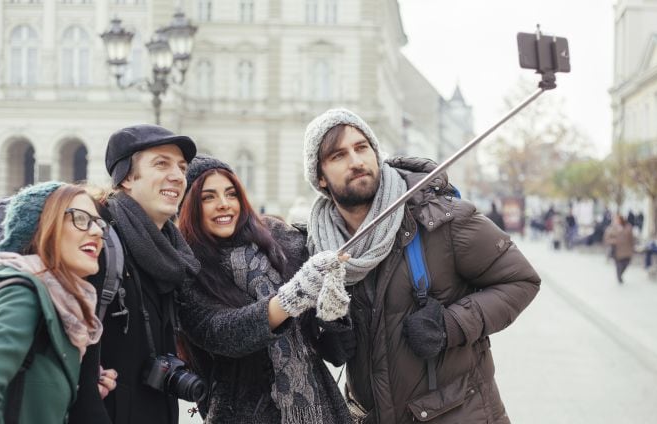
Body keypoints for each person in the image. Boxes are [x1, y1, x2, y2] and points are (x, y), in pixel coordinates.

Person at [303, 108, 541, 423]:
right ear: (320, 176)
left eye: (362, 148)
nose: (356, 161)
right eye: (338, 155)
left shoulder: (441, 219)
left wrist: (450, 324)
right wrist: (327, 335)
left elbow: (521, 280)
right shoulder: (317, 248)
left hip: (459, 413)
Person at [176, 155, 352, 423]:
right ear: (188, 207)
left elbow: (335, 352)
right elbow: (223, 332)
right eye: (207, 197)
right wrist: (295, 295)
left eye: (231, 193)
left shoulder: (282, 240)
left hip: (322, 407)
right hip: (241, 412)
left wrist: (333, 309)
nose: (224, 204)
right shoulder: (188, 267)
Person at [72, 124, 202, 424]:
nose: (178, 176)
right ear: (127, 177)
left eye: (182, 168)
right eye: (161, 164)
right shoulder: (98, 242)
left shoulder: (172, 252)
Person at [0, 182, 107, 422]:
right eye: (81, 218)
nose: (96, 231)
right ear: (40, 228)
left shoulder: (58, 300)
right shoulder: (23, 295)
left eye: (98, 222)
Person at [603, 214, 635, 284]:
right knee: (618, 265)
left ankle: (620, 274)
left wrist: (633, 247)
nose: (617, 221)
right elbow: (607, 239)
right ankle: (619, 276)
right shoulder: (611, 228)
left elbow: (632, 238)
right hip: (617, 250)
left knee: (626, 263)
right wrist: (614, 241)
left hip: (627, 249)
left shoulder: (628, 227)